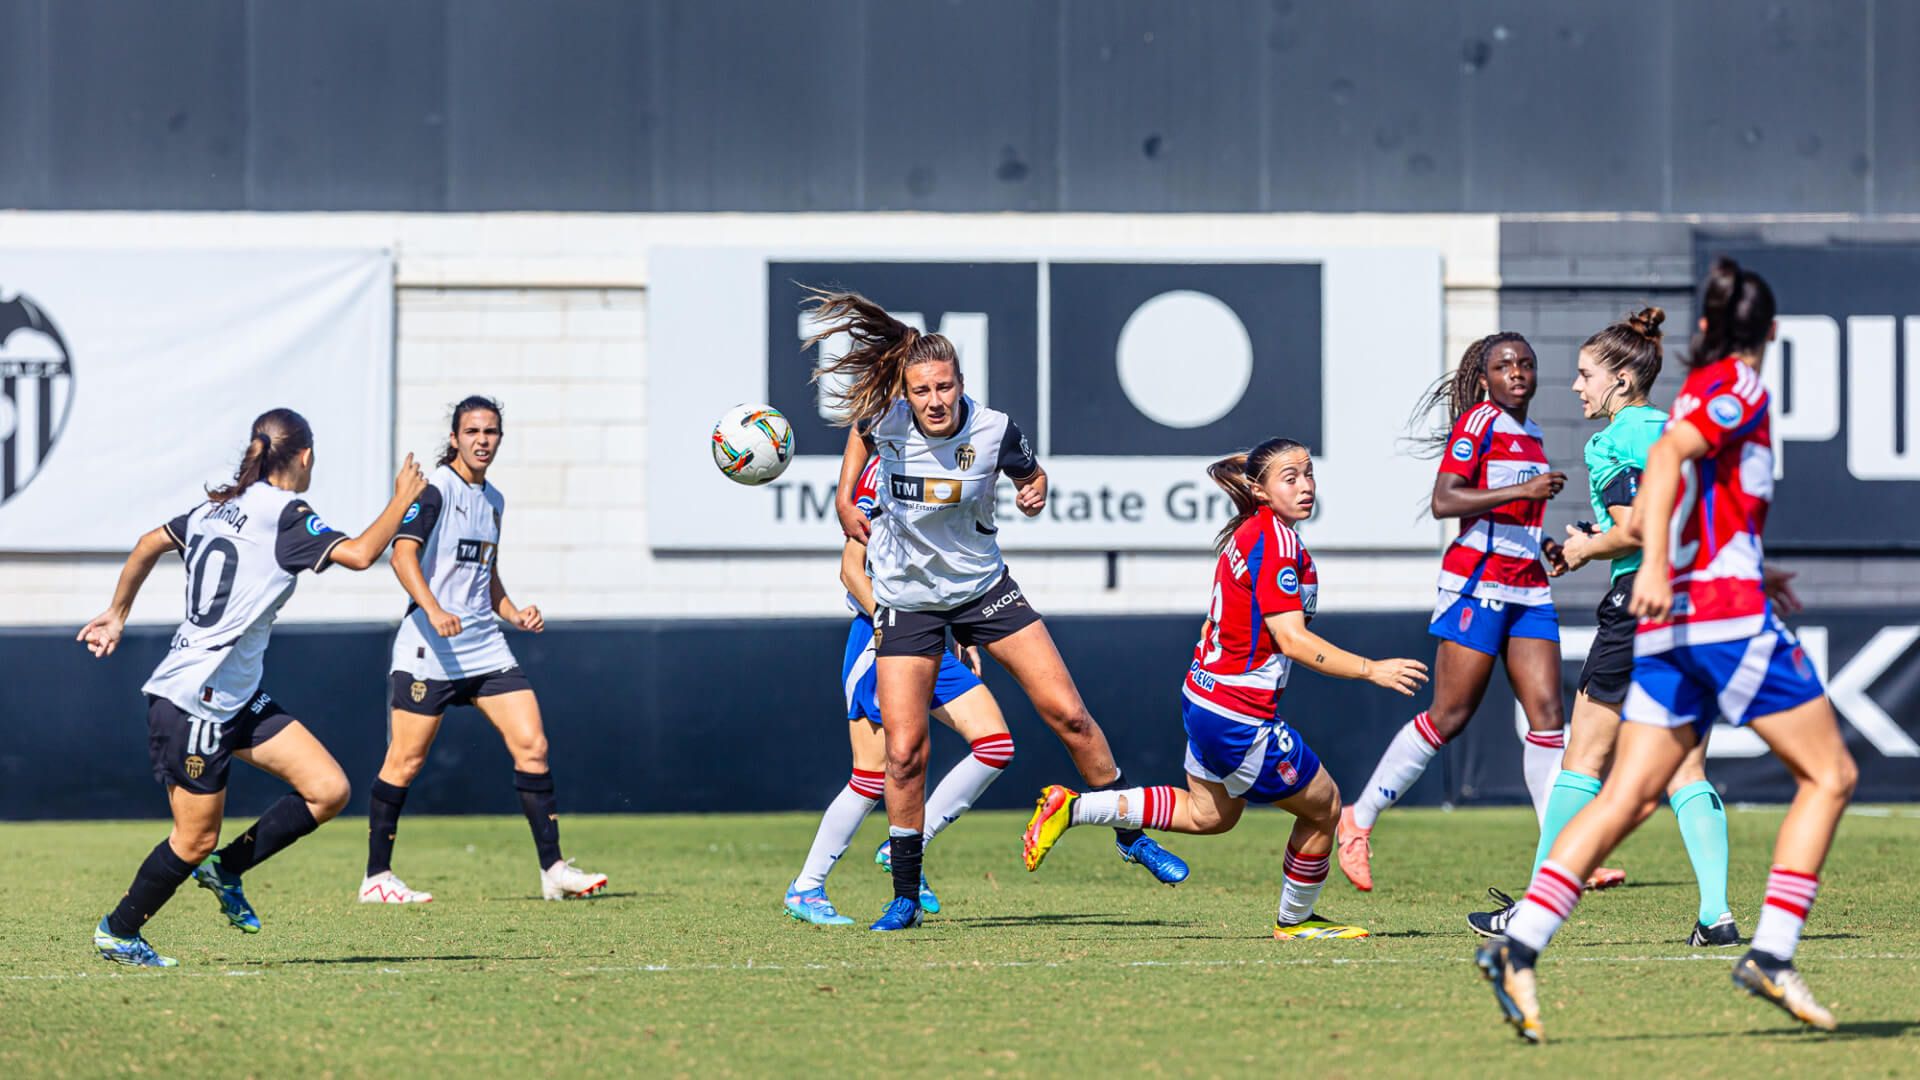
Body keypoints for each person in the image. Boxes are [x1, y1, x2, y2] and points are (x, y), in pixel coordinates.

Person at [1476, 257, 1856, 1041]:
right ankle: (1771, 953)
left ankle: (1519, 944)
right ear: (1771, 334)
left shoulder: (1694, 395)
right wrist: (1652, 561)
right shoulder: (1736, 387)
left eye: (1584, 374)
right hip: (1721, 617)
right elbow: (1675, 460)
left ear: (1706, 330)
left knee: (1628, 794)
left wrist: (1742, 559)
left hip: (1679, 618)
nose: (1576, 387)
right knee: (1830, 773)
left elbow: (1694, 492)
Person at [811, 289, 1187, 932]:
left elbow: (1029, 475)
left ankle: (1128, 832)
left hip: (986, 591)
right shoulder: (886, 420)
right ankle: (903, 894)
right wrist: (847, 500)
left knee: (1068, 714)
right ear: (906, 389)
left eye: (945, 387)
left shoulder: (994, 429)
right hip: (908, 602)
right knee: (904, 753)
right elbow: (858, 440)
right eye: (923, 389)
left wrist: (1035, 492)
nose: (935, 400)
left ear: (961, 384)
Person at [1022, 441, 1427, 937]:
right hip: (1239, 713)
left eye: (1307, 474)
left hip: (1205, 699)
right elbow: (1293, 641)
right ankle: (1295, 922)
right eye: (1289, 477)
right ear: (1259, 489)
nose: (1304, 486)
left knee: (1210, 815)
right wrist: (1371, 669)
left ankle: (1074, 808)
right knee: (1325, 808)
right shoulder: (1275, 541)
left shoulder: (1252, 531)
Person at [81, 409, 425, 967]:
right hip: (194, 700)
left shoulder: (218, 507)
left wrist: (118, 612)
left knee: (328, 789)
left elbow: (148, 541)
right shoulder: (286, 514)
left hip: (233, 696)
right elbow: (362, 555)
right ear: (305, 456)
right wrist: (402, 500)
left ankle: (229, 868)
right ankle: (118, 932)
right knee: (192, 840)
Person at [1468, 309, 1738, 946]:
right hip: (1695, 607)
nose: (1576, 387)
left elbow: (1640, 526)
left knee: (1582, 759)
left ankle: (1532, 911)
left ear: (1621, 380)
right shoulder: (1679, 430)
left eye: (1586, 375)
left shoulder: (1611, 440)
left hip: (1637, 607)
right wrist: (1601, 541)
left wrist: (1589, 549)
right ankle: (1716, 915)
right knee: (1687, 769)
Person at [1338, 333, 1570, 892]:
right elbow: (1446, 499)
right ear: (1485, 378)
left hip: (1527, 584)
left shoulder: (1532, 434)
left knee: (1547, 715)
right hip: (1477, 583)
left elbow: (1513, 517)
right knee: (1451, 714)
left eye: (1526, 364)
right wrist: (1526, 492)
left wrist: (1545, 547)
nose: (1517, 372)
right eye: (1503, 365)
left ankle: (1562, 853)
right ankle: (1358, 820)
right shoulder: (1479, 424)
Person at [360, 396, 606, 904]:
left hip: (484, 647)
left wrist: (512, 612)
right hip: (429, 648)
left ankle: (553, 869)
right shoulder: (435, 492)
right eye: (472, 431)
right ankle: (376, 877)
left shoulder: (494, 499)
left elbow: (484, 573)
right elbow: (400, 556)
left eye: (490, 432)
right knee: (404, 761)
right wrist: (431, 609)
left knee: (533, 745)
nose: (481, 440)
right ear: (454, 438)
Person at [783, 455, 1015, 924]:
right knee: (870, 776)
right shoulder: (881, 471)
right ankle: (807, 888)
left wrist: (962, 633)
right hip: (880, 641)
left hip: (928, 639)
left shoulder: (945, 466)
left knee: (995, 745)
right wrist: (890, 628)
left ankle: (906, 843)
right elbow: (852, 570)